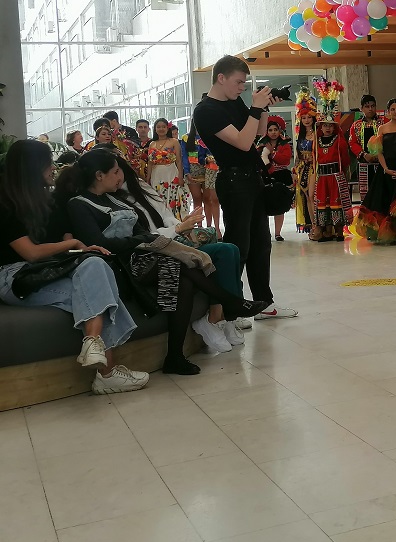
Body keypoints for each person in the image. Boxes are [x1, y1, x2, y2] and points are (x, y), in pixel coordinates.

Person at [59, 149, 267, 374]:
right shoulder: (79, 205)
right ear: (100, 175)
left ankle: (175, 356)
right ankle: (230, 302)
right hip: (116, 267)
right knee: (180, 266)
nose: (121, 176)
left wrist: (141, 239)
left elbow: (140, 232)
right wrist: (139, 239)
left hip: (142, 257)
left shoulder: (114, 199)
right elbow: (100, 244)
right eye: (117, 171)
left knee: (183, 278)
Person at [0, 140, 149, 394]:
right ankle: (107, 373)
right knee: (98, 292)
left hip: (52, 269)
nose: (53, 168)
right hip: (14, 276)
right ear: (34, 166)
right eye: (48, 162)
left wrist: (82, 250)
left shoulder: (51, 202)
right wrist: (76, 245)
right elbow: (32, 253)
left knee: (95, 264)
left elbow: (64, 242)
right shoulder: (5, 203)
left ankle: (92, 342)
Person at [191, 56, 298, 320]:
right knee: (239, 247)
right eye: (239, 82)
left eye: (244, 83)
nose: (242, 88)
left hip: (252, 178)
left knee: (261, 244)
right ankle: (231, 307)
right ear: (221, 78)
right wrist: (253, 110)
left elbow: (256, 134)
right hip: (233, 181)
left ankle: (264, 303)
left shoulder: (235, 102)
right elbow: (240, 142)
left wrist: (261, 109)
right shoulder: (206, 110)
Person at [113, 154, 246, 351]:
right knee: (225, 251)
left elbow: (166, 215)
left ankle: (226, 318)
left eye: (117, 170)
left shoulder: (140, 187)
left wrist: (182, 225)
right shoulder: (113, 200)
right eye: (112, 171)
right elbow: (143, 238)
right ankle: (218, 317)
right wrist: (178, 229)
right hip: (157, 250)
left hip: (173, 240)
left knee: (232, 248)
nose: (116, 175)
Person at [351, 99, 396, 244]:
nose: (395, 112)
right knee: (384, 200)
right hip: (386, 170)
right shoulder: (382, 129)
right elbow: (379, 152)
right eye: (392, 109)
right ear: (388, 112)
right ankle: (389, 233)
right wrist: (386, 168)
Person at [311, 82, 352, 242]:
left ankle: (339, 231)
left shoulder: (339, 141)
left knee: (337, 202)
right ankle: (325, 232)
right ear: (321, 127)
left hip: (335, 176)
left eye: (330, 125)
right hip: (322, 177)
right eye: (325, 125)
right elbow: (316, 160)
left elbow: (345, 159)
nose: (327, 128)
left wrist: (344, 175)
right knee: (323, 203)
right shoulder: (317, 140)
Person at [146, 119, 189, 222]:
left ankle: (176, 223)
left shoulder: (174, 141)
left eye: (163, 126)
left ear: (167, 128)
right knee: (159, 198)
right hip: (156, 174)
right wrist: (148, 178)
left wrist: (180, 176)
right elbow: (150, 162)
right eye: (158, 127)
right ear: (155, 129)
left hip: (170, 172)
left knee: (172, 198)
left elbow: (179, 161)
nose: (161, 129)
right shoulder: (152, 144)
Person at [258, 115, 294, 241]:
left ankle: (277, 233)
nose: (273, 132)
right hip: (266, 176)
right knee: (265, 205)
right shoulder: (261, 144)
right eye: (270, 130)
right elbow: (258, 160)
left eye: (275, 130)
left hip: (281, 176)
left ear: (279, 131)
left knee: (280, 205)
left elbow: (285, 160)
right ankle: (265, 232)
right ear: (266, 131)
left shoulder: (285, 144)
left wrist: (272, 153)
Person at [349, 94, 388, 199]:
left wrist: (380, 155)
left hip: (382, 164)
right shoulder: (356, 125)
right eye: (367, 106)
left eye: (373, 106)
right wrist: (364, 155)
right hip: (363, 164)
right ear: (361, 108)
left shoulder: (384, 122)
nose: (370, 109)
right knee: (366, 196)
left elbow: (389, 141)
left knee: (382, 194)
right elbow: (352, 143)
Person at [292, 88, 317, 237]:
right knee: (307, 196)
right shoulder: (300, 135)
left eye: (309, 117)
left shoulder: (317, 133)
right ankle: (313, 225)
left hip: (315, 167)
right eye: (304, 118)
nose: (307, 120)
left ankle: (318, 225)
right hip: (302, 168)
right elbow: (298, 155)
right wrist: (295, 171)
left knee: (313, 195)